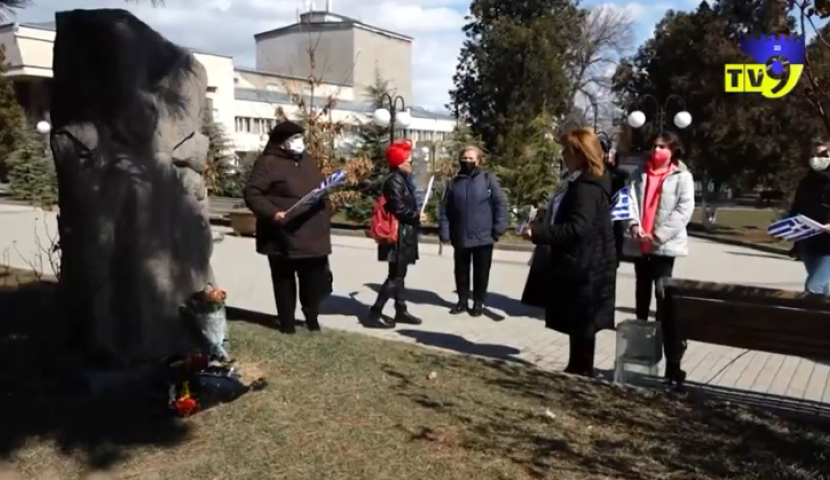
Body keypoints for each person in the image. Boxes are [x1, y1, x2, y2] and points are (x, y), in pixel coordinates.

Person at [520, 127, 617, 377]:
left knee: (583, 320)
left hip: (584, 262)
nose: (562, 155)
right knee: (580, 321)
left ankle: (581, 370)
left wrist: (538, 234)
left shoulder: (586, 187)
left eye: (566, 150)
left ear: (580, 153)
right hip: (587, 260)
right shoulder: (583, 181)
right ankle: (578, 366)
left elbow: (578, 227)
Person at [243, 120, 332, 334]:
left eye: (301, 138)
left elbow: (318, 187)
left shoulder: (307, 160)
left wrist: (326, 203)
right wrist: (272, 213)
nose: (300, 143)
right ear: (282, 143)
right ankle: (287, 323)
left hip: (313, 234)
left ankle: (312, 317)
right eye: (294, 139)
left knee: (314, 280)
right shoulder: (267, 163)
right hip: (282, 234)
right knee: (284, 281)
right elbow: (253, 193)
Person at [623, 131, 694, 324]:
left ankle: (662, 330)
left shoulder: (682, 176)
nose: (657, 150)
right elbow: (628, 200)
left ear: (672, 150)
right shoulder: (639, 173)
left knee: (662, 290)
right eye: (654, 146)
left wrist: (659, 235)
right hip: (640, 242)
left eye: (662, 147)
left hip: (663, 245)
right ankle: (641, 327)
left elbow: (684, 209)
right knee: (641, 290)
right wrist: (633, 226)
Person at [438, 145, 508, 316]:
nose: (467, 161)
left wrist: (499, 227)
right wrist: (445, 231)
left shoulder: (487, 179)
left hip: (484, 236)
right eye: (465, 158)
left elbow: (500, 203)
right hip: (460, 236)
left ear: (478, 160)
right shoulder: (454, 183)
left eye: (471, 158)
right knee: (461, 271)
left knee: (481, 272)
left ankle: (478, 302)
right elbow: (445, 209)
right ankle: (462, 301)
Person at [367, 140, 428, 328]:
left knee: (399, 274)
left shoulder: (403, 179)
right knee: (395, 276)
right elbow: (398, 208)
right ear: (400, 163)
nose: (412, 165)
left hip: (405, 234)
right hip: (397, 236)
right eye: (409, 161)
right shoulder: (394, 180)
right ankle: (375, 312)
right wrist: (417, 217)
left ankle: (400, 310)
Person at [789, 139, 830, 294]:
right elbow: (797, 207)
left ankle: (810, 318)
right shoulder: (807, 182)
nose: (816, 159)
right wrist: (786, 228)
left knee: (814, 286)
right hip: (809, 241)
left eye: (822, 154)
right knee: (824, 288)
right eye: (813, 154)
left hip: (829, 246)